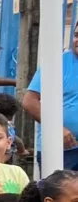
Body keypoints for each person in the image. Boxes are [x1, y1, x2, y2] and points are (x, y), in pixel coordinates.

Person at [23, 20, 78, 170]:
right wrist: (57, 128)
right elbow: (30, 101)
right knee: (60, 192)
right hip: (61, 150)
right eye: (76, 35)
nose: (77, 40)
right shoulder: (57, 63)